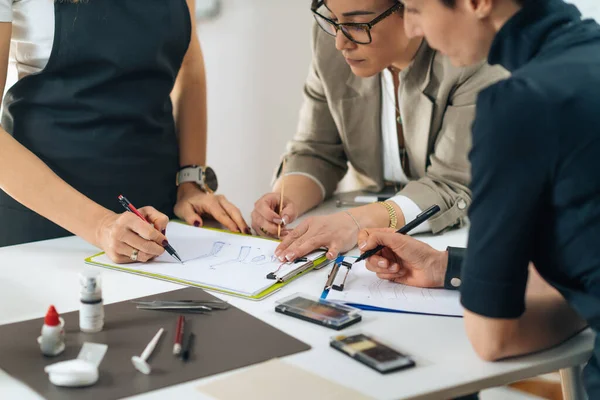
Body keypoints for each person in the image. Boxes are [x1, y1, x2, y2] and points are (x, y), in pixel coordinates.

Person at [358, 0, 599, 395]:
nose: (414, 29)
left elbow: (494, 338)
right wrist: (448, 267)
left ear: (477, 3)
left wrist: (582, 306)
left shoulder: (520, 104)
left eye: (416, 9)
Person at [251, 0, 507, 263]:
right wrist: (286, 198)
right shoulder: (329, 42)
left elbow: (453, 185)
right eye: (332, 18)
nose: (340, 42)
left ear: (412, 9)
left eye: (356, 23)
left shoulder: (470, 53)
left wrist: (356, 222)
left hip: (466, 239)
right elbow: (316, 149)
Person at [0, 0, 249, 262]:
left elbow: (190, 65)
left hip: (156, 221)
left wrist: (191, 184)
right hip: (45, 227)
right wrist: (100, 226)